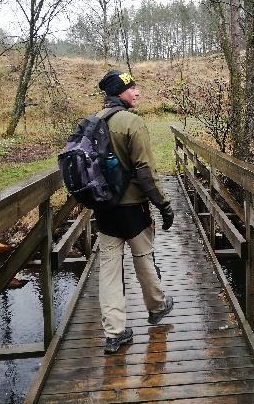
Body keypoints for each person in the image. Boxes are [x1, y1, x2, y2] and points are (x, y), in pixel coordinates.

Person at [94, 69, 174, 354]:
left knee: (110, 271)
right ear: (118, 93)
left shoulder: (92, 123)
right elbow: (145, 171)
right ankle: (156, 307)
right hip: (132, 210)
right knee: (143, 259)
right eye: (131, 88)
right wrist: (163, 204)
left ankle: (114, 333)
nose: (137, 92)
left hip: (103, 210)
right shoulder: (132, 123)